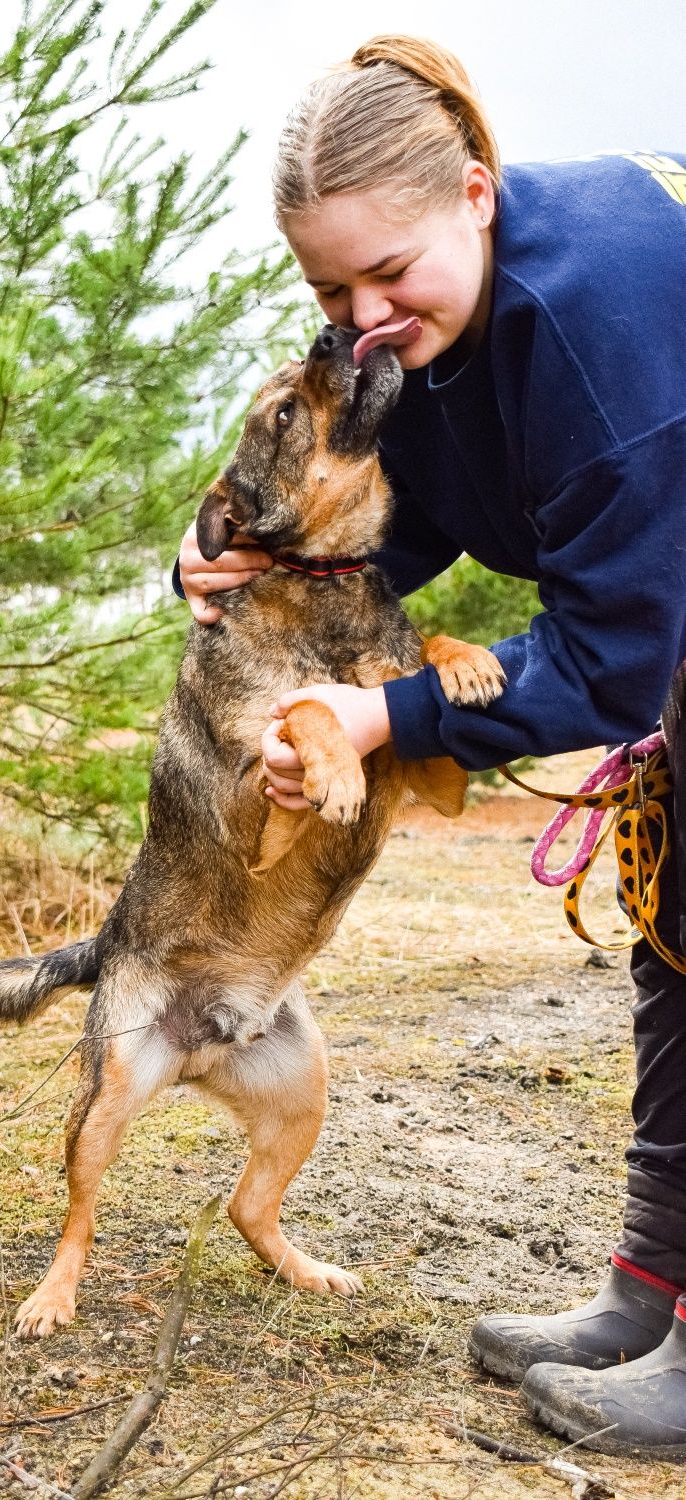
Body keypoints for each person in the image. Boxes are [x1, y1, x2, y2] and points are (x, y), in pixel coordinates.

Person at [177, 35, 686, 1455]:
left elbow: (607, 661)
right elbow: (428, 508)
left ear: (475, 190)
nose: (359, 316)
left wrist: (380, 715)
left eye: (385, 274)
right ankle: (648, 1291)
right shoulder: (426, 327)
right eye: (328, 289)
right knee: (679, 934)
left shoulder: (594, 323)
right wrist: (239, 554)